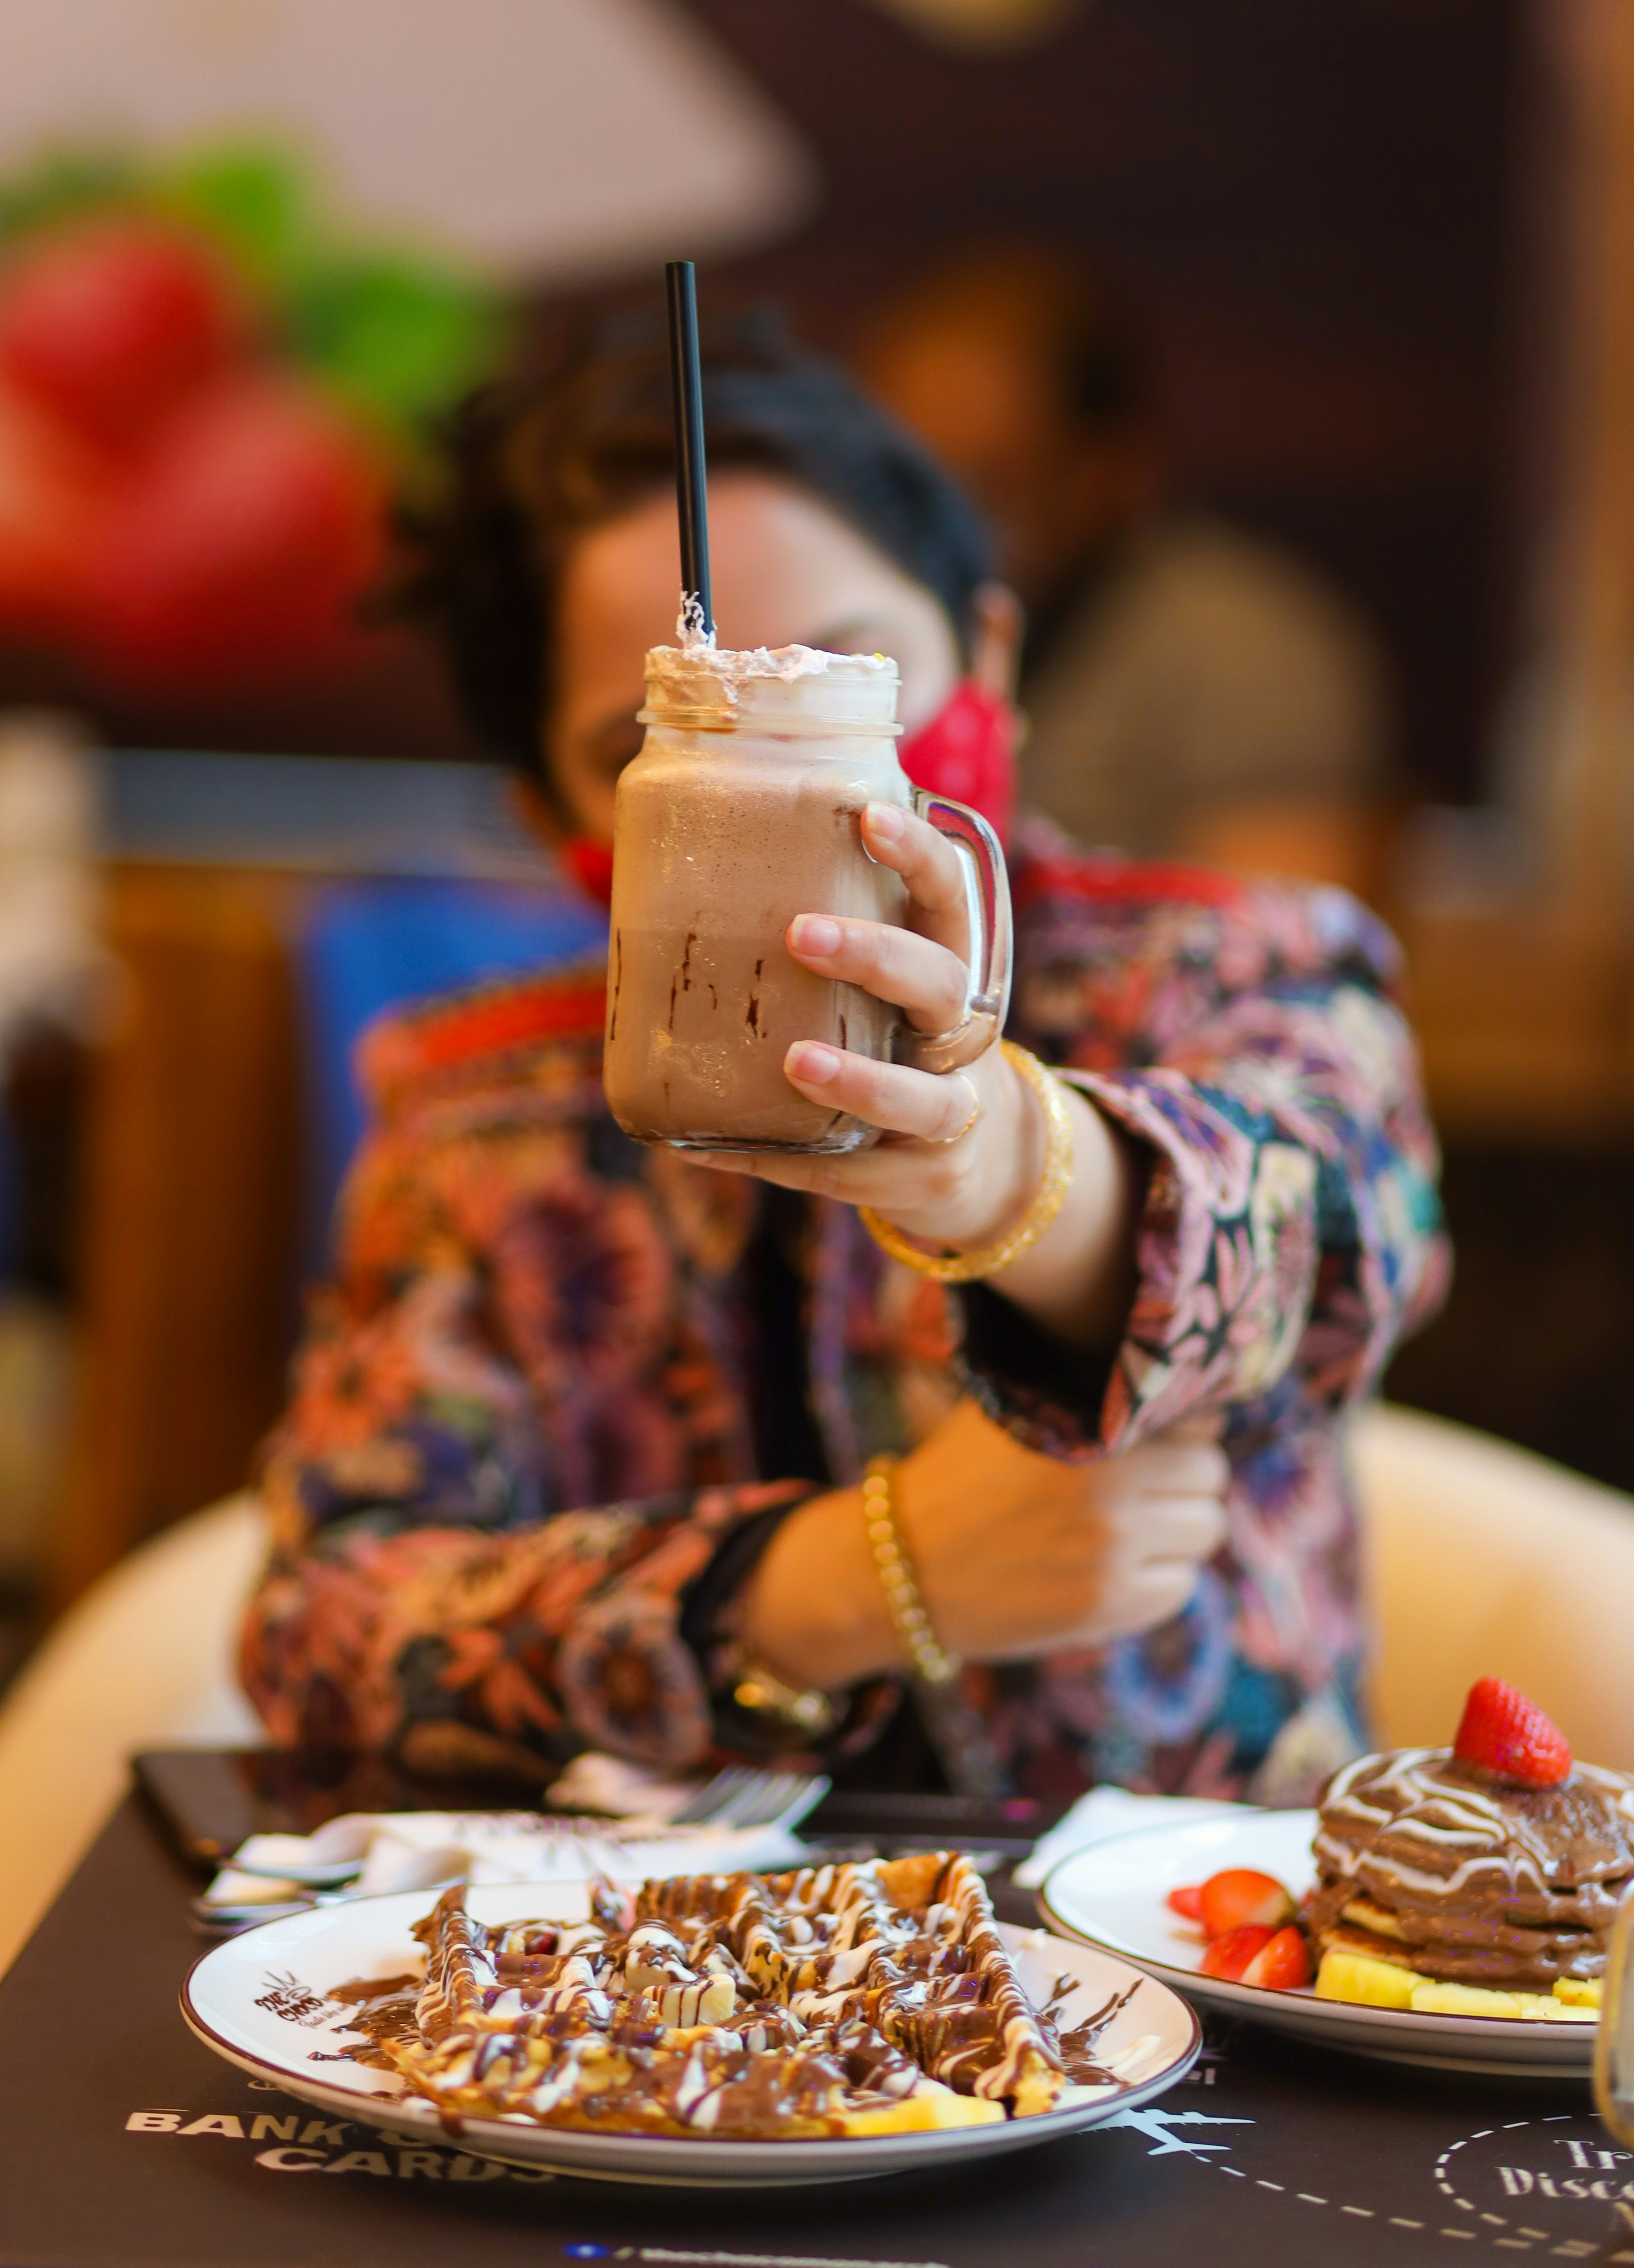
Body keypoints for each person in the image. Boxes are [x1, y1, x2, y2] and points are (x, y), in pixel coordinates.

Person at [239, 316, 1447, 1804]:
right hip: (645, 1990)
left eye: (847, 676)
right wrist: (841, 1580)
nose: (786, 777)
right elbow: (320, 1628)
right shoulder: (480, 1112)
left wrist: (1002, 1158)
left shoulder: (1230, 972)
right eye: (666, 722)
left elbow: (1346, 1247)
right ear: (559, 804)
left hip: (1189, 1962)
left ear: (987, 660)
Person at [855, 246, 1392, 893]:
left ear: (1106, 473)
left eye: (984, 483)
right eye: (898, 480)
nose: (926, 523)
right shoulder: (859, 629)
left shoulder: (1250, 654)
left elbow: (1277, 949)